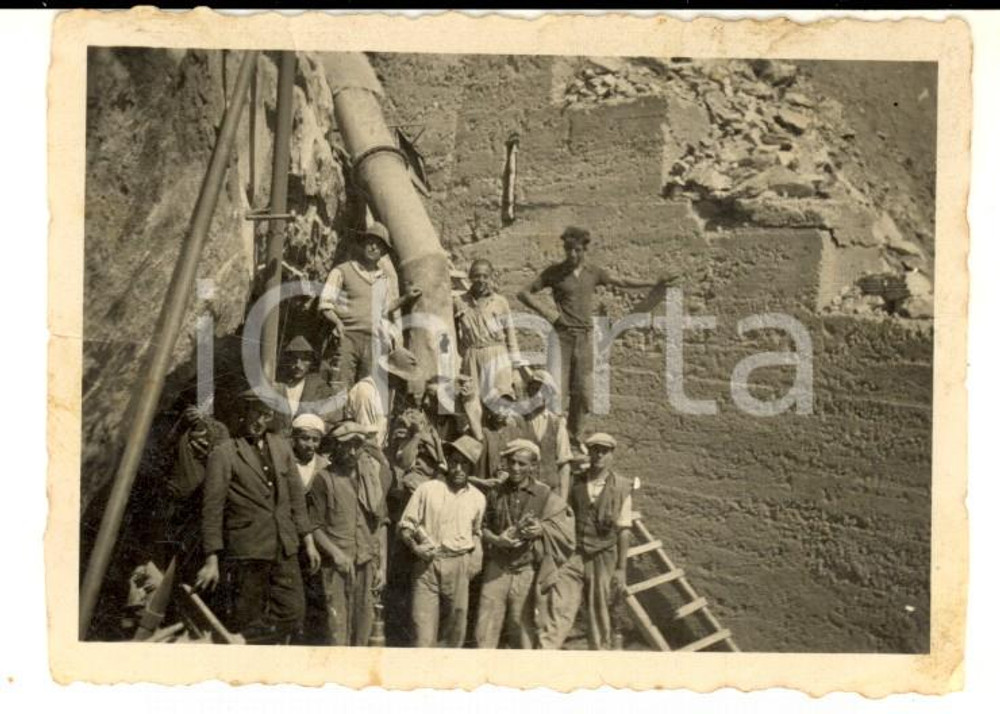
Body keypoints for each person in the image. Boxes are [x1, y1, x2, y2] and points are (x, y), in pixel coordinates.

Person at [518, 226, 673, 443]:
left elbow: (622, 282)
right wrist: (550, 314)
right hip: (561, 337)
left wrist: (654, 283)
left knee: (583, 392)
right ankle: (553, 439)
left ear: (585, 250)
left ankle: (574, 437)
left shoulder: (594, 273)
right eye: (568, 249)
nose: (572, 254)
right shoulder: (554, 273)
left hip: (585, 338)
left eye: (577, 250)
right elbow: (524, 293)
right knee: (555, 391)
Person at [195, 390, 320, 643]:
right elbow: (212, 510)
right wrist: (211, 559)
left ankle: (241, 641)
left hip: (284, 545)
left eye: (266, 414)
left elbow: (296, 499)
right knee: (247, 613)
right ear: (244, 413)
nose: (260, 421)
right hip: (248, 548)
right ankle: (244, 654)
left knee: (293, 612)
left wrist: (308, 542)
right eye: (256, 413)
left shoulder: (282, 447)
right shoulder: (225, 452)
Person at [474, 439, 575, 649]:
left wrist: (542, 529)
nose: (516, 468)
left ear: (533, 467)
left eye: (522, 464)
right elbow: (481, 528)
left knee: (522, 631)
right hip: (497, 568)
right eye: (512, 462)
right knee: (485, 630)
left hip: (526, 571)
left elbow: (565, 533)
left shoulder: (546, 495)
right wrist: (497, 539)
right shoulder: (495, 492)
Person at [399, 435, 487, 648]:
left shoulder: (478, 498)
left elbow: (476, 531)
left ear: (471, 468)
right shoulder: (428, 489)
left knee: (454, 634)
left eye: (464, 464)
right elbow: (406, 526)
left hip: (459, 566)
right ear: (448, 461)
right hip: (427, 566)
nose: (458, 468)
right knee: (422, 634)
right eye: (454, 461)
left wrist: (477, 554)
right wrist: (415, 547)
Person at [308, 421, 389, 646]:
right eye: (346, 446)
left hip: (366, 564)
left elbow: (381, 523)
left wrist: (382, 566)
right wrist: (335, 554)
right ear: (336, 447)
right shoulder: (323, 479)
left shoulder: (371, 479)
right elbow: (314, 526)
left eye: (357, 446)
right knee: (337, 632)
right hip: (337, 568)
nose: (352, 452)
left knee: (364, 634)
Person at [318, 222, 421, 385]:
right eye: (370, 242)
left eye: (379, 245)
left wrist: (406, 298)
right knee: (340, 386)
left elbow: (384, 309)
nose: (373, 247)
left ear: (383, 252)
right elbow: (325, 304)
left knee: (367, 389)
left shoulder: (383, 279)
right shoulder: (342, 271)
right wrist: (337, 323)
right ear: (362, 244)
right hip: (348, 337)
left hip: (373, 341)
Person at [562, 432, 635, 650]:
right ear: (589, 453)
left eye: (604, 451)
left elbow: (623, 530)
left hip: (604, 553)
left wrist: (621, 568)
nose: (599, 455)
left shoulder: (622, 487)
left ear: (611, 455)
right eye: (595, 450)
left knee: (599, 604)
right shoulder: (576, 482)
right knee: (561, 599)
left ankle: (600, 651)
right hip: (576, 550)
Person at [288, 413, 333, 645]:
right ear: (294, 439)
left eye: (315, 440)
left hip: (318, 541)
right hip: (292, 539)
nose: (310, 445)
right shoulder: (285, 463)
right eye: (305, 439)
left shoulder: (324, 466)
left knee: (316, 596)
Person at [453, 259, 523, 399]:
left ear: (491, 277)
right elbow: (453, 334)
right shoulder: (459, 302)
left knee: (500, 404)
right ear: (470, 277)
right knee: (473, 402)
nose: (481, 280)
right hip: (471, 357)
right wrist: (462, 357)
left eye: (485, 276)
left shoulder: (500, 302)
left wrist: (515, 367)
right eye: (477, 275)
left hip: (497, 355)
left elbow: (510, 335)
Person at [344, 345, 425, 448]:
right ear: (390, 374)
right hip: (361, 450)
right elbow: (366, 440)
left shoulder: (390, 390)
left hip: (378, 448)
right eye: (401, 379)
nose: (404, 383)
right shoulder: (366, 392)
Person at [522, 369, 573, 499]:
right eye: (534, 389)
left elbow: (564, 464)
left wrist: (562, 500)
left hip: (550, 493)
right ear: (528, 392)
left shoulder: (557, 423)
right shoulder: (519, 421)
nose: (538, 395)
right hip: (523, 492)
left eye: (542, 390)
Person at [271, 335, 338, 436]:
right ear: (287, 361)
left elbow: (329, 424)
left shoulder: (321, 390)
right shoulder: (277, 386)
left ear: (311, 362)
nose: (298, 364)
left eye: (304, 359)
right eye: (294, 359)